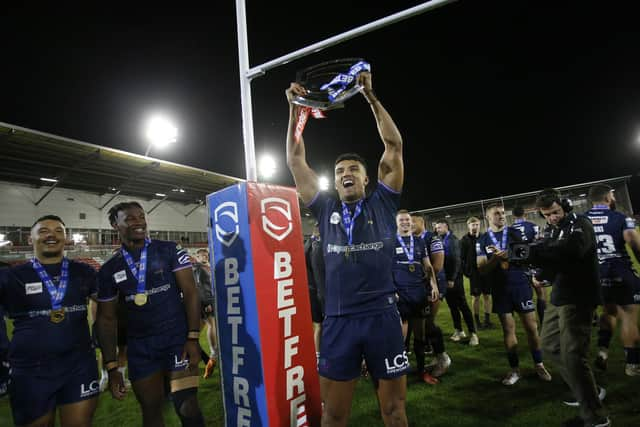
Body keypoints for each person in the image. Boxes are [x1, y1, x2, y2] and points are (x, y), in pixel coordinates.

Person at [286, 71, 408, 427]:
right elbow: (296, 161)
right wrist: (296, 111)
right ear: (335, 180)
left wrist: (370, 97)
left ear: (367, 178)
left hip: (382, 318)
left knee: (394, 411)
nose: (345, 173)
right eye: (340, 171)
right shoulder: (324, 208)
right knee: (334, 414)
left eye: (353, 168)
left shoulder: (383, 203)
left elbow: (394, 147)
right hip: (338, 322)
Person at [96, 201, 205, 427]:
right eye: (130, 218)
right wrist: (112, 366)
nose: (139, 222)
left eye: (141, 216)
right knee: (151, 411)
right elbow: (106, 319)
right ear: (115, 225)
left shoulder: (168, 249)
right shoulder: (109, 269)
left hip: (176, 340)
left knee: (188, 406)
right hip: (141, 349)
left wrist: (193, 337)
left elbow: (191, 293)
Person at [0, 215, 99, 426]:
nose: (51, 235)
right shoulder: (11, 277)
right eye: (44, 231)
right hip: (30, 370)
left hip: (79, 365)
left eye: (58, 231)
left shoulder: (84, 272)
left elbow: (108, 306)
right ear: (30, 239)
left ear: (66, 238)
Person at [531, 189, 609, 427]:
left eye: (555, 212)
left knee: (574, 356)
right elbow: (552, 262)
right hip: (560, 294)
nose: (552, 217)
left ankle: (595, 418)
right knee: (550, 345)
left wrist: (536, 252)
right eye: (547, 214)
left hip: (579, 295)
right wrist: (540, 273)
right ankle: (588, 391)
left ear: (564, 205)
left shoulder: (580, 224)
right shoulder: (552, 228)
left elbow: (571, 252)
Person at [476, 204, 551, 386]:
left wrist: (508, 254)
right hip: (500, 289)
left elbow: (527, 254)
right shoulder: (483, 240)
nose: (501, 216)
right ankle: (515, 369)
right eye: (497, 213)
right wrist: (495, 259)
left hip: (520, 285)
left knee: (531, 328)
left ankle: (539, 364)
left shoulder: (515, 233)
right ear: (488, 217)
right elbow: (482, 269)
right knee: (508, 330)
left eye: (503, 213)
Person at [585, 184, 640, 376]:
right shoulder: (620, 217)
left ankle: (602, 352)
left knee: (608, 311)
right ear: (608, 198)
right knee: (628, 316)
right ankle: (632, 365)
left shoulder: (582, 220)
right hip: (621, 271)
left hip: (597, 275)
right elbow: (633, 240)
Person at [393, 210, 439, 385]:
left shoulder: (419, 241)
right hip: (401, 294)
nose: (405, 222)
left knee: (420, 335)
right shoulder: (391, 241)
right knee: (401, 337)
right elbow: (385, 270)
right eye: (402, 220)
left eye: (408, 220)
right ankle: (400, 372)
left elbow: (427, 265)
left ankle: (421, 371)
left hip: (419, 293)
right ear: (396, 222)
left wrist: (433, 284)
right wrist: (392, 290)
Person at [410, 215, 451, 378]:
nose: (411, 224)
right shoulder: (413, 239)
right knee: (421, 325)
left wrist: (428, 284)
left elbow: (438, 266)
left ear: (423, 223)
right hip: (419, 287)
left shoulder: (432, 238)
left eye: (415, 221)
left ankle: (443, 358)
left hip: (432, 286)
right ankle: (435, 356)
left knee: (428, 323)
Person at [435, 219, 479, 346]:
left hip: (454, 279)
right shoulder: (442, 240)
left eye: (440, 227)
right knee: (452, 306)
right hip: (446, 279)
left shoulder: (452, 240)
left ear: (447, 227)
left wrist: (452, 279)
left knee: (462, 305)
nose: (438, 230)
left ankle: (473, 334)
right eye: (437, 228)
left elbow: (457, 261)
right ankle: (459, 330)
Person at [511, 205, 547, 325]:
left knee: (527, 295)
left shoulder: (509, 230)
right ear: (525, 215)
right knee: (541, 293)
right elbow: (540, 242)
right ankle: (543, 321)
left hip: (520, 267)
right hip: (535, 264)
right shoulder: (533, 226)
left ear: (513, 216)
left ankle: (530, 321)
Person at [460, 216, 493, 330]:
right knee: (476, 297)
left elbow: (490, 252)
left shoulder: (485, 237)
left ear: (480, 225)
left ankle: (487, 320)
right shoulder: (464, 240)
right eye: (473, 225)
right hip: (474, 273)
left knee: (487, 295)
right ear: (468, 226)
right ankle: (477, 321)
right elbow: (461, 259)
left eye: (477, 224)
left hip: (486, 271)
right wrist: (467, 272)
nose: (475, 227)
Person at [192, 248, 218, 379]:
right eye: (201, 255)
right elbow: (198, 285)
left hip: (207, 299)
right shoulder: (197, 267)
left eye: (206, 254)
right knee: (212, 324)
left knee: (195, 334)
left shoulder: (207, 267)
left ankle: (206, 359)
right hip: (205, 301)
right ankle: (213, 355)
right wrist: (206, 302)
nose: (204, 256)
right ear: (196, 256)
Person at [304, 223, 326, 359]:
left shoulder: (306, 243)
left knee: (317, 325)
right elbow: (319, 272)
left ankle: (317, 356)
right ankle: (319, 356)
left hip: (310, 289)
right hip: (319, 290)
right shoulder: (317, 246)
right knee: (321, 325)